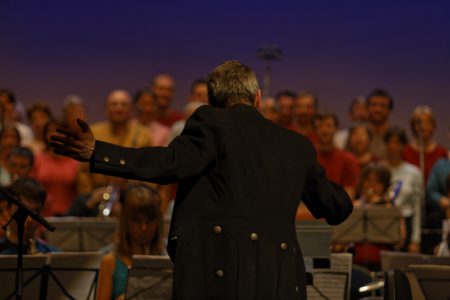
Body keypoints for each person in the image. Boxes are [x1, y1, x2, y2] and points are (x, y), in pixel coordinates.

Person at [50, 60, 353, 300]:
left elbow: (169, 164)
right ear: (258, 98)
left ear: (213, 102)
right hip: (280, 284)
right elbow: (338, 207)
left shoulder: (211, 123)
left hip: (217, 279)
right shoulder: (296, 146)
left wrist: (98, 152)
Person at [97, 184, 165, 300]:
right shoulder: (110, 262)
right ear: (126, 222)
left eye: (150, 220)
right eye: (136, 221)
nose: (144, 227)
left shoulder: (167, 260)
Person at [382, 127, 422, 253]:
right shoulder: (379, 169)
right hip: (382, 223)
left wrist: (415, 240)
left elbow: (417, 207)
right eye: (390, 142)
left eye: (397, 142)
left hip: (407, 221)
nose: (393, 146)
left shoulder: (414, 172)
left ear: (404, 146)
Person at [0, 177, 59, 254]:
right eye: (23, 211)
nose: (30, 220)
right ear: (6, 209)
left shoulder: (54, 255)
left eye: (36, 212)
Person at [32, 120, 79, 216]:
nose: (54, 134)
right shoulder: (38, 159)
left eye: (58, 131)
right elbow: (31, 190)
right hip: (42, 216)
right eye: (50, 131)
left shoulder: (75, 161)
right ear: (45, 135)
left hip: (70, 216)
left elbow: (80, 192)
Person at [403, 105, 447, 183]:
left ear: (433, 126)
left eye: (427, 122)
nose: (423, 127)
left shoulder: (442, 153)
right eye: (419, 123)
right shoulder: (405, 152)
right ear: (413, 126)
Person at [365, 88, 394, 159]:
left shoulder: (395, 136)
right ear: (367, 108)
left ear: (389, 110)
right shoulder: (358, 134)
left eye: (383, 106)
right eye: (374, 105)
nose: (378, 109)